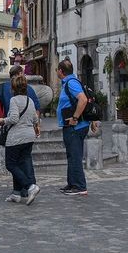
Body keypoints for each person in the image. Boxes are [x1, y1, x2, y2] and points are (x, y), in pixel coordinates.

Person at [0, 74, 41, 205]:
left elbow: (14, 118)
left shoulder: (14, 100)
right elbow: (35, 119)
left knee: (10, 164)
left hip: (16, 137)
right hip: (29, 137)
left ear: (13, 88)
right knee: (20, 163)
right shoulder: (30, 101)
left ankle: (30, 186)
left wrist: (3, 120)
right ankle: (16, 193)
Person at [56, 59, 89, 196]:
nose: (57, 72)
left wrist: (75, 118)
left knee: (75, 156)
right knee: (71, 155)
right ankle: (72, 184)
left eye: (57, 69)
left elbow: (83, 99)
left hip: (75, 126)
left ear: (61, 71)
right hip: (71, 125)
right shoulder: (69, 82)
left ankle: (80, 186)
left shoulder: (71, 83)